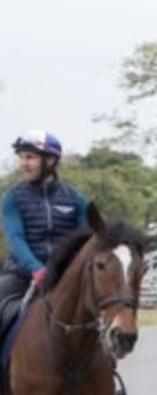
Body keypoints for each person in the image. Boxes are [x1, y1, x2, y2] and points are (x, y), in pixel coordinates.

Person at [0, 131, 87, 320]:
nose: (23, 163)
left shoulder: (76, 199)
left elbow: (85, 240)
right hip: (22, 275)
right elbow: (16, 238)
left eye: (30, 157)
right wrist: (36, 268)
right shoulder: (12, 198)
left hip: (65, 275)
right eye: (21, 158)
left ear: (50, 161)